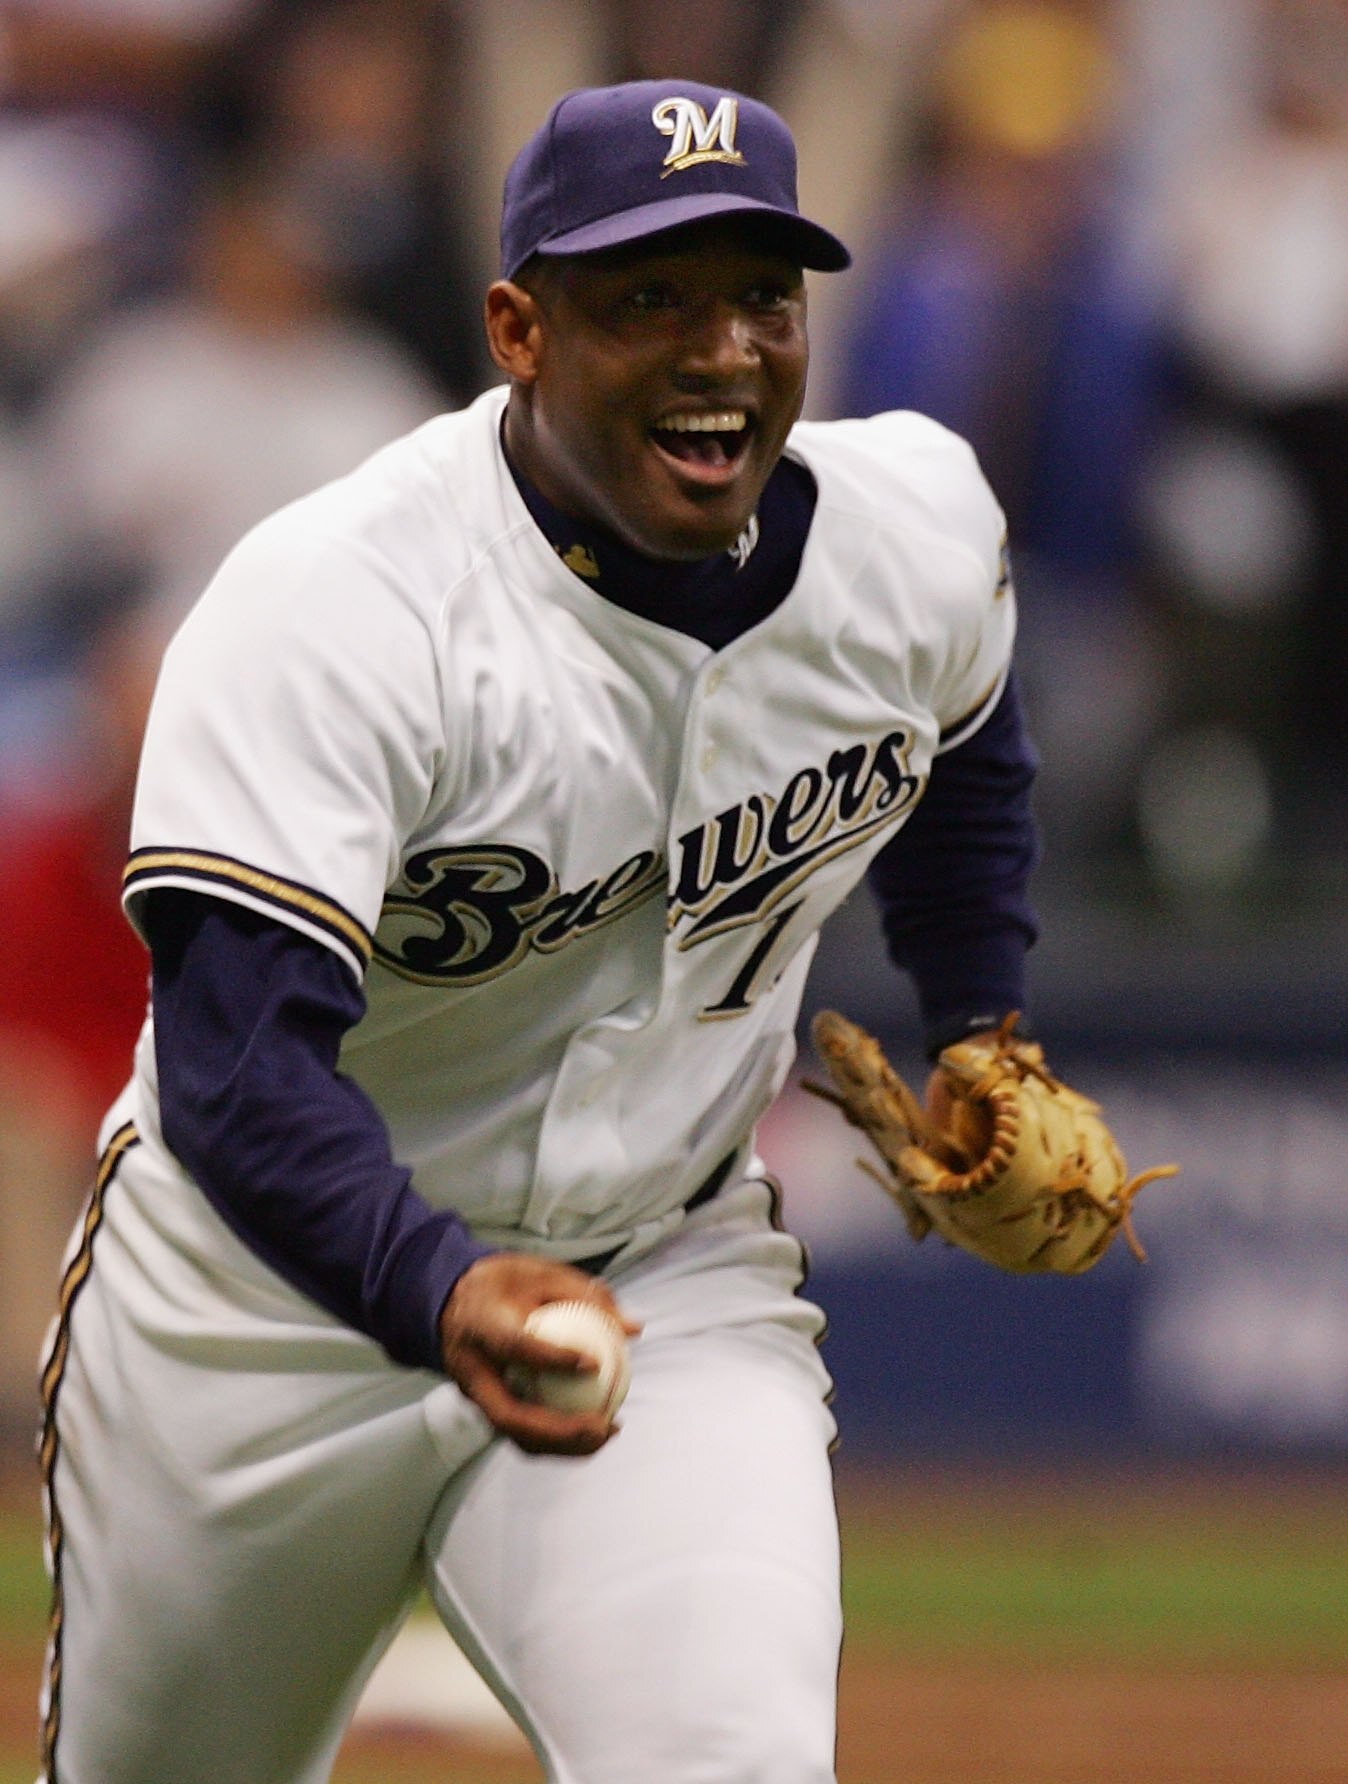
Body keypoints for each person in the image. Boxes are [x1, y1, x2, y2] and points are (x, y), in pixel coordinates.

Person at [38, 79, 1038, 1783]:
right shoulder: (337, 608)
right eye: (651, 298)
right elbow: (231, 1071)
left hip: (663, 1273)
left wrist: (981, 1027)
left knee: (727, 1755)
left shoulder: (913, 531)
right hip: (261, 1311)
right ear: (518, 324)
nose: (722, 350)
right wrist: (436, 1287)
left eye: (759, 298)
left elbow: (965, 747)